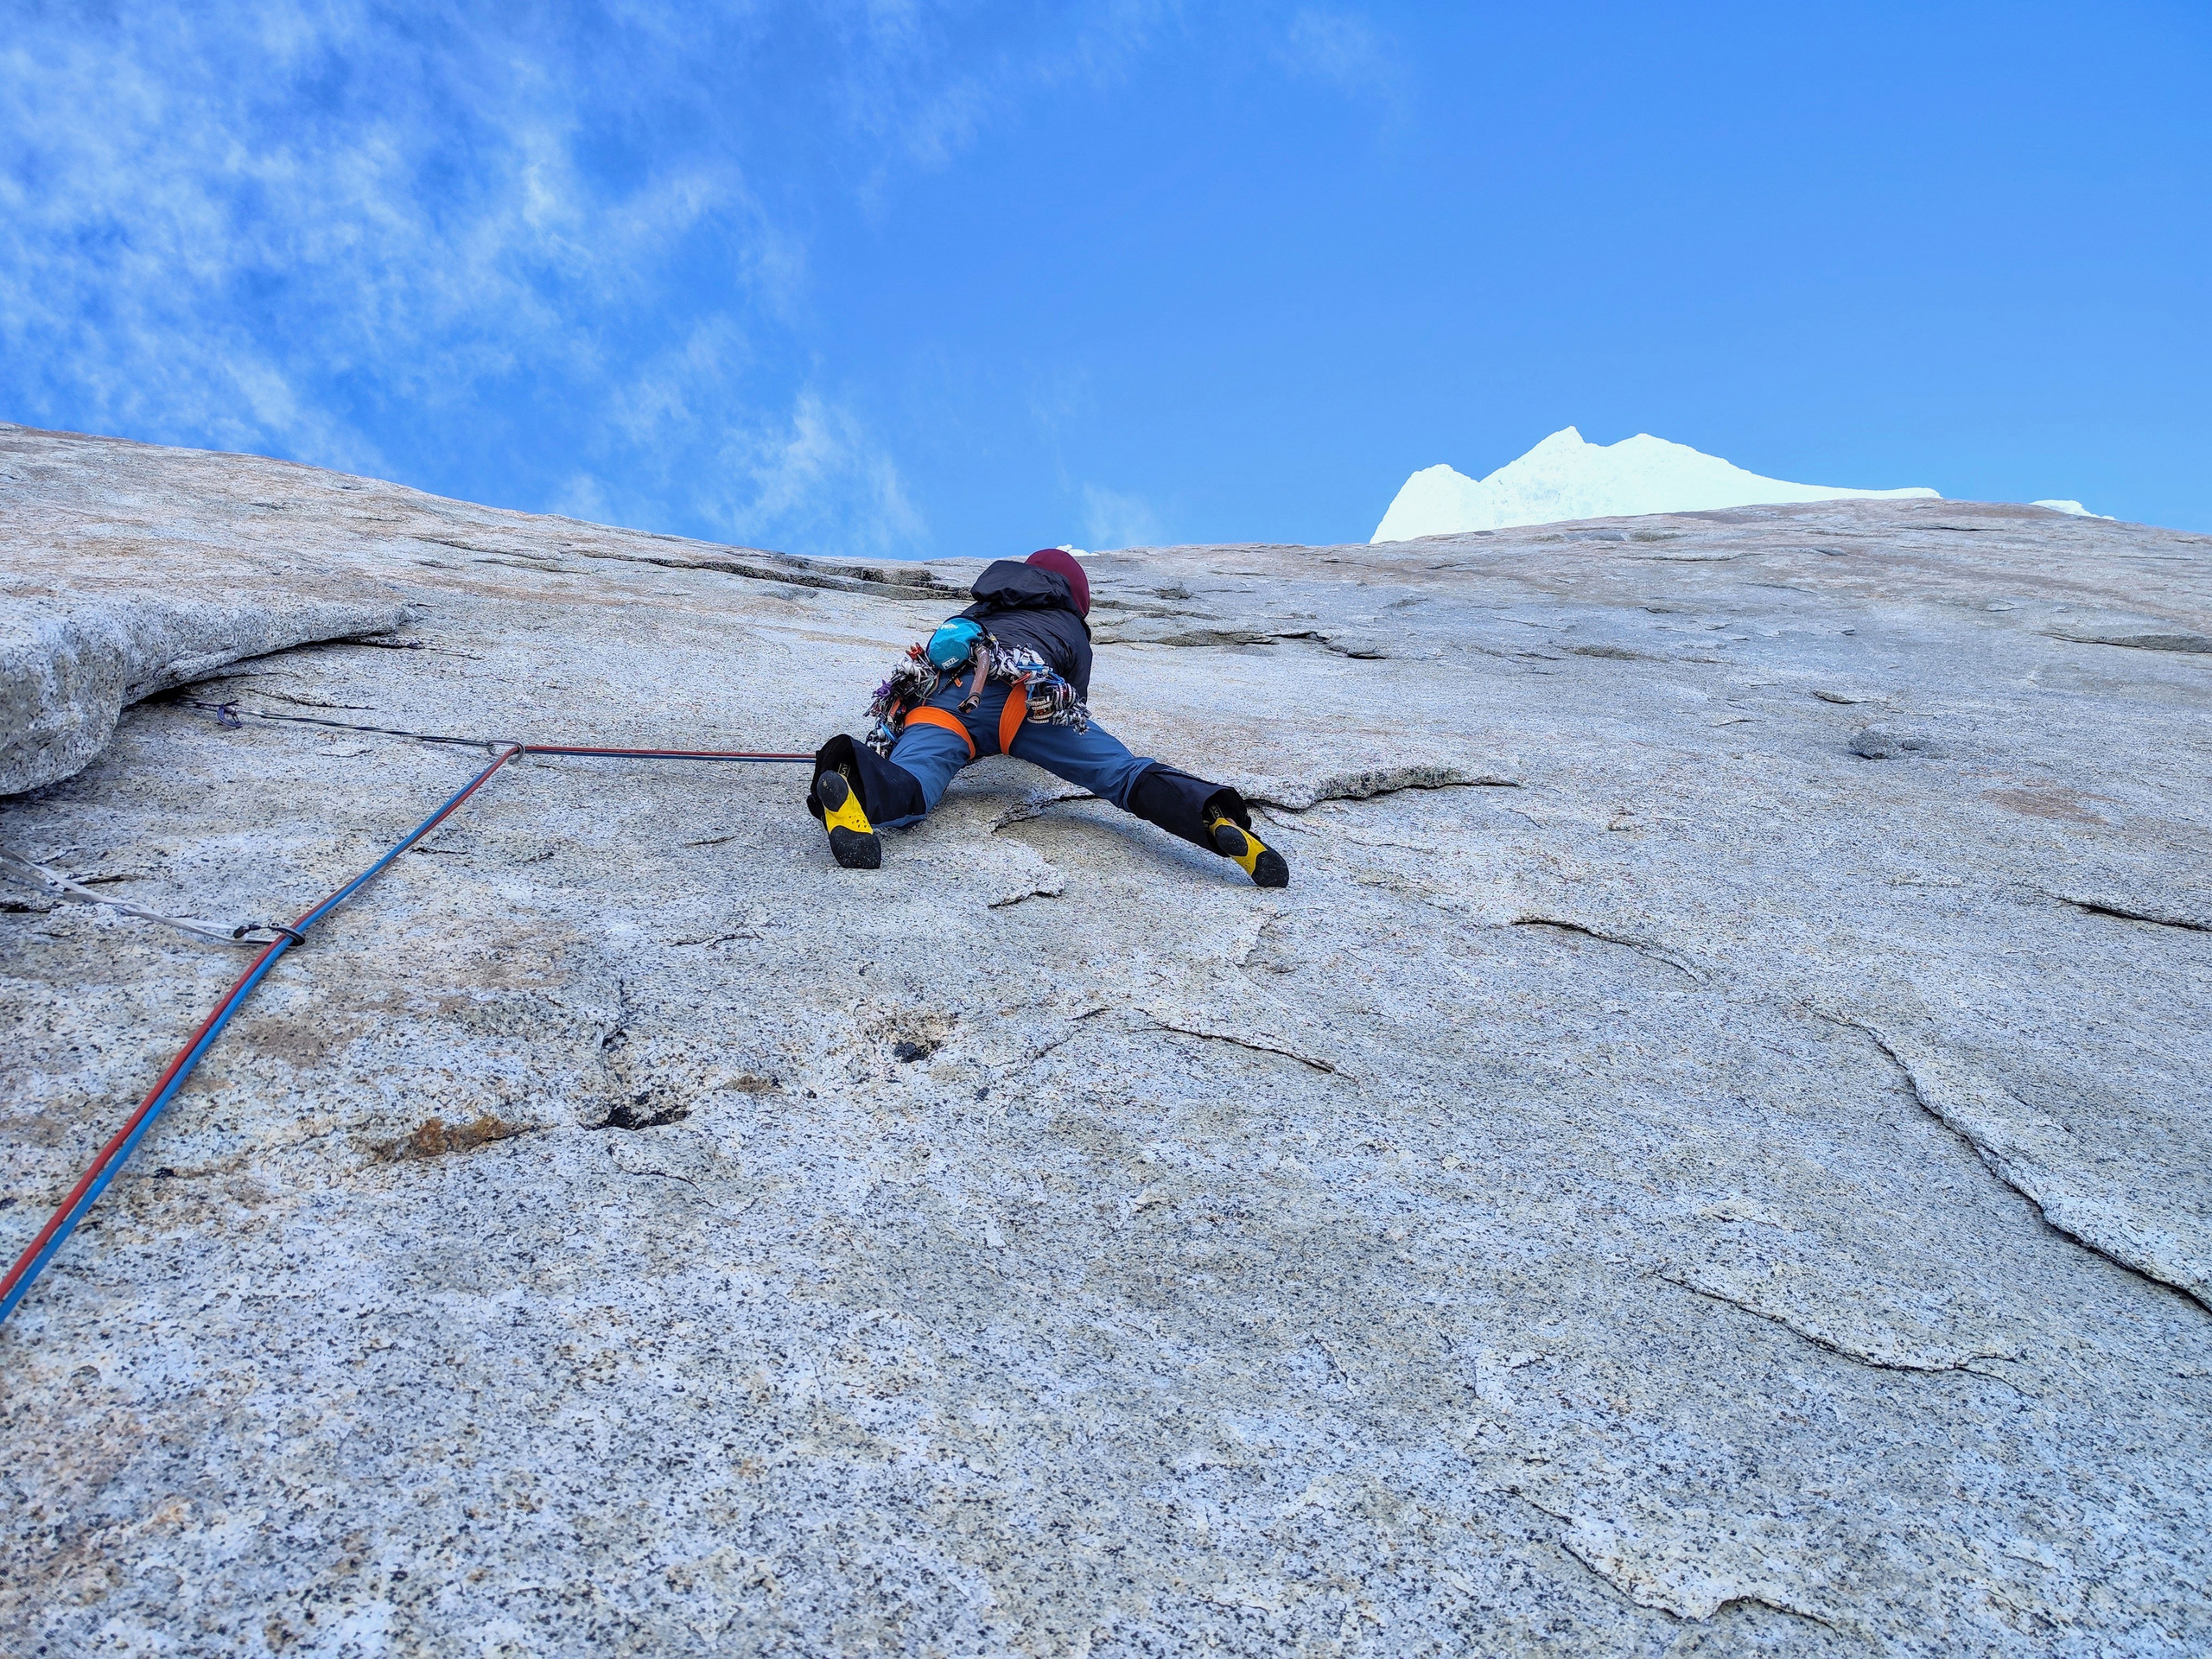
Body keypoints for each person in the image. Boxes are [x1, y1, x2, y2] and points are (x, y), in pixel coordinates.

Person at [806, 548, 1289, 887]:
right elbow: (1071, 700)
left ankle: (851, 782)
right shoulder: (1070, 624)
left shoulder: (988, 603)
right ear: (1078, 596)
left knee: (912, 781)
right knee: (1122, 775)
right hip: (1027, 696)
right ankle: (1215, 818)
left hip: (942, 700)